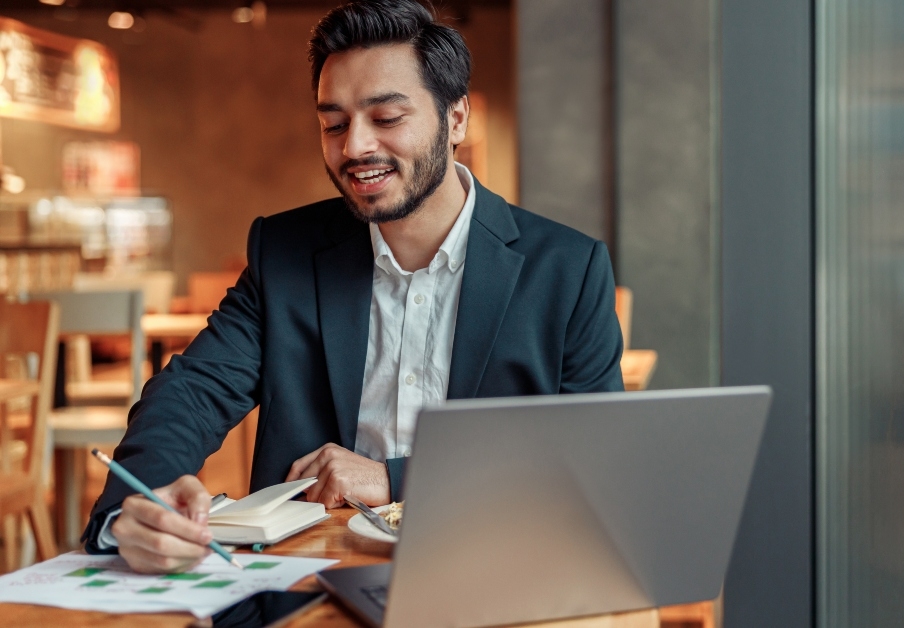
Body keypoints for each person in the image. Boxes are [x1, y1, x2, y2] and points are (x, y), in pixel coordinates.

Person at [82, 0, 624, 573]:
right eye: (333, 124)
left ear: (456, 118)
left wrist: (392, 478)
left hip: (498, 567)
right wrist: (135, 507)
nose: (355, 147)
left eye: (386, 119)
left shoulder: (567, 268)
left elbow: (595, 460)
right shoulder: (286, 252)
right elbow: (192, 393)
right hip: (307, 580)